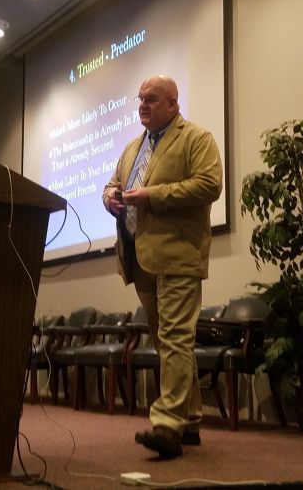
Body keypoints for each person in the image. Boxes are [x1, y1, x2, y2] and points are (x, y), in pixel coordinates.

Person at [102, 75, 223, 458]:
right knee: (166, 340)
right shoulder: (132, 147)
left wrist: (152, 196)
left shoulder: (196, 138)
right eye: (140, 99)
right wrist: (109, 197)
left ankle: (167, 425)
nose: (143, 105)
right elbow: (113, 184)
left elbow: (209, 184)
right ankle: (189, 419)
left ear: (173, 103)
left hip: (178, 254)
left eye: (151, 99)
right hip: (139, 258)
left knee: (174, 337)